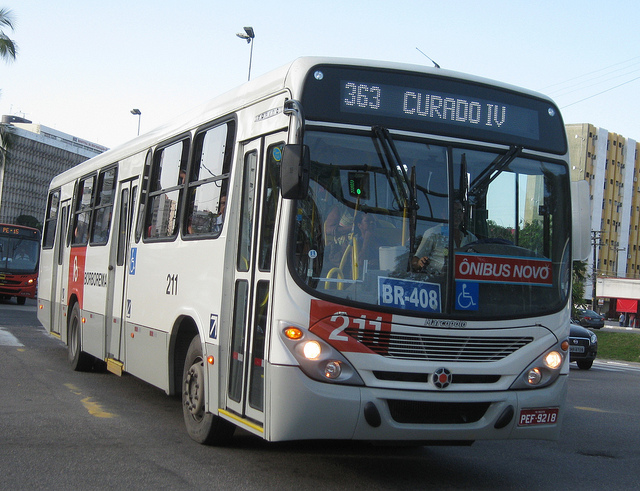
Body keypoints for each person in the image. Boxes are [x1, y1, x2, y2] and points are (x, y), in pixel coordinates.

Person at [412, 200, 477, 273]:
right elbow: (415, 260)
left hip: (463, 279)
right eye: (453, 211)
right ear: (444, 214)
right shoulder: (433, 233)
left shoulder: (470, 237)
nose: (457, 214)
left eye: (459, 211)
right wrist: (419, 263)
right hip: (438, 280)